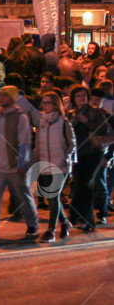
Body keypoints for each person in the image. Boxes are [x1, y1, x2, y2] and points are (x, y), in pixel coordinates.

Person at [0, 86, 38, 239]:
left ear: (12, 98)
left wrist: (21, 163)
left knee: (23, 195)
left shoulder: (20, 117)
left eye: (5, 95)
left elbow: (24, 141)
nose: (1, 98)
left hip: (14, 164)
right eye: (0, 95)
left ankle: (32, 224)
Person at [33, 91, 76, 242]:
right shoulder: (41, 122)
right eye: (43, 102)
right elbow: (38, 144)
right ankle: (65, 223)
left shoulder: (64, 122)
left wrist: (67, 158)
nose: (44, 105)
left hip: (60, 165)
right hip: (45, 165)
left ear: (55, 105)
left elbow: (72, 144)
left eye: (47, 103)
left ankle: (50, 230)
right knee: (52, 197)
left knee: (53, 195)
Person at [68, 85, 111, 232]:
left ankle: (75, 217)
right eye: (78, 96)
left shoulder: (94, 112)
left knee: (84, 185)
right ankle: (86, 220)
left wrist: (86, 121)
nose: (81, 98)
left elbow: (105, 130)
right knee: (81, 186)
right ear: (74, 98)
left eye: (84, 95)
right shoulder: (72, 114)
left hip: (93, 154)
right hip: (77, 155)